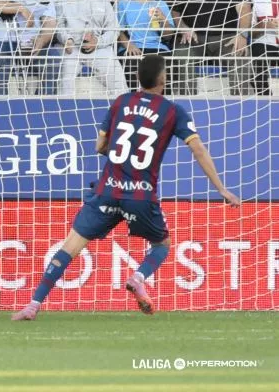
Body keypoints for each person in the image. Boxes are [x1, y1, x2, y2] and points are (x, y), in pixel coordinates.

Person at [13, 55, 241, 321]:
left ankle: (33, 304)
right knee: (162, 244)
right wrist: (221, 189)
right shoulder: (172, 111)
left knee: (69, 247)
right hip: (140, 195)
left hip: (107, 190)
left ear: (138, 78)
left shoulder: (121, 102)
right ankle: (137, 276)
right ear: (163, 78)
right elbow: (198, 149)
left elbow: (100, 147)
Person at [163, 0, 253, 96]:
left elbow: (244, 8)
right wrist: (183, 27)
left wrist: (242, 35)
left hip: (226, 36)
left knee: (240, 53)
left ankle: (241, 103)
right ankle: (186, 103)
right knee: (182, 54)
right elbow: (173, 10)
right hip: (193, 37)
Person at [58, 0, 130, 97]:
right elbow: (59, 25)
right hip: (72, 48)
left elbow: (113, 28)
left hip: (100, 48)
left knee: (118, 83)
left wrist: (98, 41)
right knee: (66, 81)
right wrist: (67, 39)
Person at [115, 0, 176, 90]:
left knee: (166, 67)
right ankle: (133, 101)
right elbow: (117, 30)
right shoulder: (123, 3)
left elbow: (169, 35)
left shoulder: (160, 3)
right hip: (133, 48)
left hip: (157, 48)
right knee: (130, 64)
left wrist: (162, 18)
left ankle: (162, 103)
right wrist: (129, 45)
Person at [247, 0, 279, 95]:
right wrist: (266, 25)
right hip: (265, 42)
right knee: (258, 55)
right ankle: (265, 101)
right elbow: (250, 30)